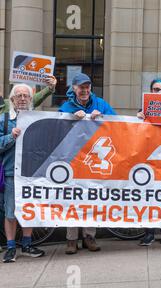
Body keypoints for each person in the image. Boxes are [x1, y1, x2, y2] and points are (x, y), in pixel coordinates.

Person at [59, 72, 117, 254]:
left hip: (94, 158)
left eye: (87, 87)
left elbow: (118, 122)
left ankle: (89, 236)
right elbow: (56, 125)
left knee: (92, 197)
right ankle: (71, 239)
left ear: (90, 88)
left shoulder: (100, 104)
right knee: (73, 198)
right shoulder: (66, 106)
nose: (84, 90)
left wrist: (104, 116)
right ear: (74, 88)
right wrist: (70, 116)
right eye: (81, 87)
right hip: (73, 158)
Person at [0, 75, 57, 255]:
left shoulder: (38, 119)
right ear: (12, 99)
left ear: (31, 99)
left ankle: (26, 244)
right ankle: (10, 247)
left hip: (32, 173)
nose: (23, 98)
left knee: (29, 209)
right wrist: (11, 137)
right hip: (11, 173)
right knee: (10, 212)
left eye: (26, 95)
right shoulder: (4, 120)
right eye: (19, 96)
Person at [137, 78, 161, 246]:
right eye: (155, 89)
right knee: (148, 197)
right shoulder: (143, 111)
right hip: (148, 159)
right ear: (150, 90)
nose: (159, 92)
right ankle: (149, 232)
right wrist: (138, 119)